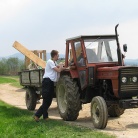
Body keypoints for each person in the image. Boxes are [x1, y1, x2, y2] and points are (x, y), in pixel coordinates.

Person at [34, 50, 65, 121]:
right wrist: (60, 66)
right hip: (47, 82)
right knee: (47, 100)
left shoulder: (54, 62)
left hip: (50, 82)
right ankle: (37, 115)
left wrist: (61, 65)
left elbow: (59, 67)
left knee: (48, 101)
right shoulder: (50, 62)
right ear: (54, 55)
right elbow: (58, 70)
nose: (58, 56)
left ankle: (45, 117)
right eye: (57, 55)